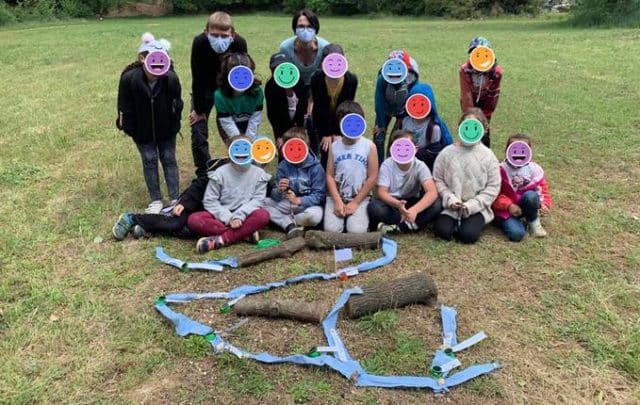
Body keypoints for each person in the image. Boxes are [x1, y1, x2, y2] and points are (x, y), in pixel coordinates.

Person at [116, 32, 183, 214]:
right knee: (149, 160)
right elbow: (124, 105)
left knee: (169, 159)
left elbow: (177, 104)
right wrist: (130, 129)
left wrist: (175, 124)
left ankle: (175, 197)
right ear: (142, 58)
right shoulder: (129, 79)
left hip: (166, 130)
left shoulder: (171, 79)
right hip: (142, 131)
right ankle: (156, 199)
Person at [188, 136, 271, 253]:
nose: (241, 153)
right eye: (237, 148)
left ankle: (221, 239)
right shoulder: (220, 172)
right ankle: (244, 234)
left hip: (246, 215)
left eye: (246, 148)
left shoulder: (260, 173)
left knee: (263, 215)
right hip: (221, 216)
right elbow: (210, 200)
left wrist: (239, 216)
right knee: (194, 219)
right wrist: (229, 218)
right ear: (229, 151)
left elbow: (258, 200)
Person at [190, 11, 248, 177]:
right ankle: (203, 171)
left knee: (233, 129)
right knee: (198, 129)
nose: (219, 39)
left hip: (228, 88)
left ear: (232, 34)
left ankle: (238, 162)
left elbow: (241, 73)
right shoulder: (199, 43)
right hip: (205, 86)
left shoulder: (240, 43)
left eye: (224, 35)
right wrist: (199, 110)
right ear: (206, 32)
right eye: (214, 35)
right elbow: (197, 75)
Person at [111, 159, 228, 240]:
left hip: (212, 213)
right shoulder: (222, 168)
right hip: (194, 202)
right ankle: (132, 218)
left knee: (190, 232)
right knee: (175, 224)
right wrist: (184, 203)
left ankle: (148, 229)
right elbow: (200, 184)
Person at [432, 108, 500, 244]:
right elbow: (438, 179)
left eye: (474, 126)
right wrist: (449, 198)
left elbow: (493, 186)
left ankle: (469, 224)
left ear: (484, 129)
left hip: (477, 208)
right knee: (442, 232)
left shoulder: (489, 156)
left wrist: (473, 205)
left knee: (467, 236)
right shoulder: (447, 153)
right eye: (466, 125)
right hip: (452, 207)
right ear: (460, 127)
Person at [373, 50, 451, 165]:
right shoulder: (382, 78)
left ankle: (393, 160)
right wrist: (380, 125)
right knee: (379, 137)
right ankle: (380, 165)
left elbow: (413, 96)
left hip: (404, 107)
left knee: (397, 136)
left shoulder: (413, 77)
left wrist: (404, 116)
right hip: (386, 107)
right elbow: (379, 99)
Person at [368, 130, 442, 233]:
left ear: (415, 149)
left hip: (412, 202)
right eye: (398, 147)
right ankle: (412, 223)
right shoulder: (387, 165)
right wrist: (397, 204)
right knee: (374, 207)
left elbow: (432, 192)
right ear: (392, 150)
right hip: (393, 204)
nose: (402, 151)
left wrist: (414, 210)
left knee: (437, 203)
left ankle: (401, 227)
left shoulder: (420, 165)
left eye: (407, 147)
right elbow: (382, 192)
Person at [324, 101, 378, 233]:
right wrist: (337, 201)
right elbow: (329, 175)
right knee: (331, 230)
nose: (351, 127)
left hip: (360, 197)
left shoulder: (369, 146)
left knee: (356, 232)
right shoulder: (335, 146)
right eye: (346, 122)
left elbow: (373, 176)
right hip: (336, 196)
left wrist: (355, 203)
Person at [265, 127, 326, 238]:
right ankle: (289, 224)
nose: (295, 152)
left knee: (314, 217)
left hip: (307, 207)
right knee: (263, 203)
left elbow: (319, 195)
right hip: (287, 204)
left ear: (306, 147)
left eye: (298, 148)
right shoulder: (283, 165)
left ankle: (285, 220)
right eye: (290, 149)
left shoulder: (316, 167)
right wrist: (279, 190)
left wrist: (300, 200)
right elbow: (274, 196)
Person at [493, 133, 551, 241]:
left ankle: (533, 221)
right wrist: (508, 205)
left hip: (527, 201)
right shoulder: (500, 170)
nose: (518, 154)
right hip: (507, 209)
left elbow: (542, 188)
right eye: (514, 150)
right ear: (507, 150)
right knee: (516, 235)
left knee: (531, 196)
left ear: (529, 152)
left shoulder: (534, 169)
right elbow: (493, 194)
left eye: (523, 150)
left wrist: (545, 204)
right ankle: (514, 221)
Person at [309, 44, 358, 168]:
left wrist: (338, 132)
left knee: (341, 148)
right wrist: (326, 133)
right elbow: (319, 107)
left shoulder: (351, 80)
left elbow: (347, 106)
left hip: (342, 119)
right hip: (322, 120)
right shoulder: (316, 79)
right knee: (326, 149)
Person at [459, 37, 502, 148]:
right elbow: (465, 92)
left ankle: (485, 150)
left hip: (486, 101)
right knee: (469, 124)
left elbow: (493, 95)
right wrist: (469, 112)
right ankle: (467, 146)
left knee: (484, 129)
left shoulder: (496, 72)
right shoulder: (465, 70)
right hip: (470, 99)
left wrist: (486, 114)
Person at [214, 52, 263, 145]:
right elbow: (226, 122)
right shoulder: (219, 96)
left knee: (250, 148)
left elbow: (255, 119)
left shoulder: (257, 92)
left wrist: (249, 138)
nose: (240, 79)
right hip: (228, 122)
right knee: (235, 150)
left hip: (248, 122)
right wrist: (238, 140)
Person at [264, 52, 308, 154]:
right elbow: (272, 114)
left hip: (299, 120)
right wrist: (279, 135)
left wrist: (300, 129)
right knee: (283, 149)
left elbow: (303, 104)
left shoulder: (299, 81)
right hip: (282, 120)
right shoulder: (271, 86)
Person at [279, 9, 329, 88]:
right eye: (301, 26)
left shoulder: (325, 47)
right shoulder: (285, 47)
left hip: (318, 87)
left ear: (316, 29)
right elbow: (285, 77)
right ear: (295, 29)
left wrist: (312, 99)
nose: (305, 30)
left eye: (310, 26)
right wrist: (291, 97)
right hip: (295, 85)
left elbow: (323, 77)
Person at [399, 93, 445, 171]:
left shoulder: (434, 128)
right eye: (414, 104)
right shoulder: (405, 121)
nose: (418, 107)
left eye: (422, 104)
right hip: (405, 164)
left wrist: (415, 152)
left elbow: (434, 152)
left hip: (424, 166)